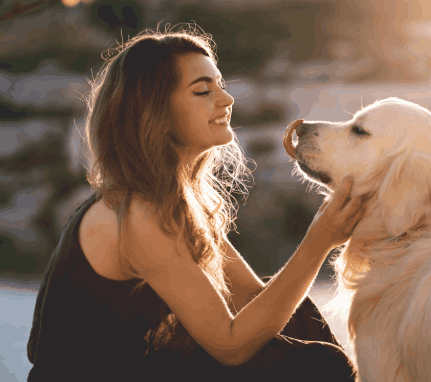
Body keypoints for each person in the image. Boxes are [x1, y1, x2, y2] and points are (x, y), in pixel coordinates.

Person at [26, 24, 366, 382]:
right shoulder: (136, 213)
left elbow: (251, 297)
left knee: (299, 314)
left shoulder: (172, 201)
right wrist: (320, 240)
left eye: (220, 84)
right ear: (152, 112)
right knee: (318, 365)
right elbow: (231, 347)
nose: (226, 99)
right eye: (203, 90)